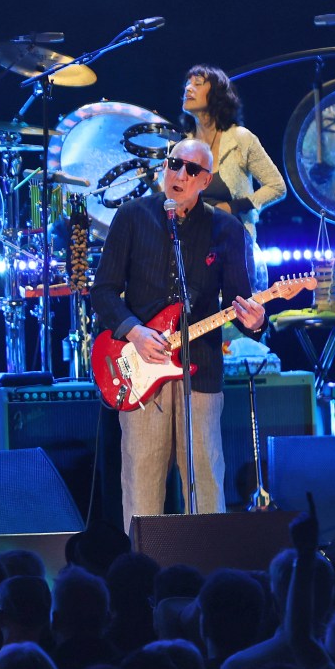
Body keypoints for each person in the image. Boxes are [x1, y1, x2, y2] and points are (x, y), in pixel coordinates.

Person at [90, 137, 266, 531]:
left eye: (192, 170)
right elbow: (103, 291)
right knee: (142, 486)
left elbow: (239, 305)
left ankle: (206, 577)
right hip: (139, 371)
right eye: (174, 164)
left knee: (205, 484)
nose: (180, 174)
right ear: (163, 168)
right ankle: (142, 579)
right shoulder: (132, 217)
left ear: (206, 181)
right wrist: (133, 331)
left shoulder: (227, 229)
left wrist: (253, 321)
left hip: (198, 370)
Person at [179, 65, 286, 280]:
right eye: (187, 84)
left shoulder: (240, 139)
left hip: (234, 247)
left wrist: (233, 206)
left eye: (197, 84)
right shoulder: (184, 145)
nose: (188, 89)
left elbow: (277, 186)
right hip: (193, 249)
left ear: (217, 95)